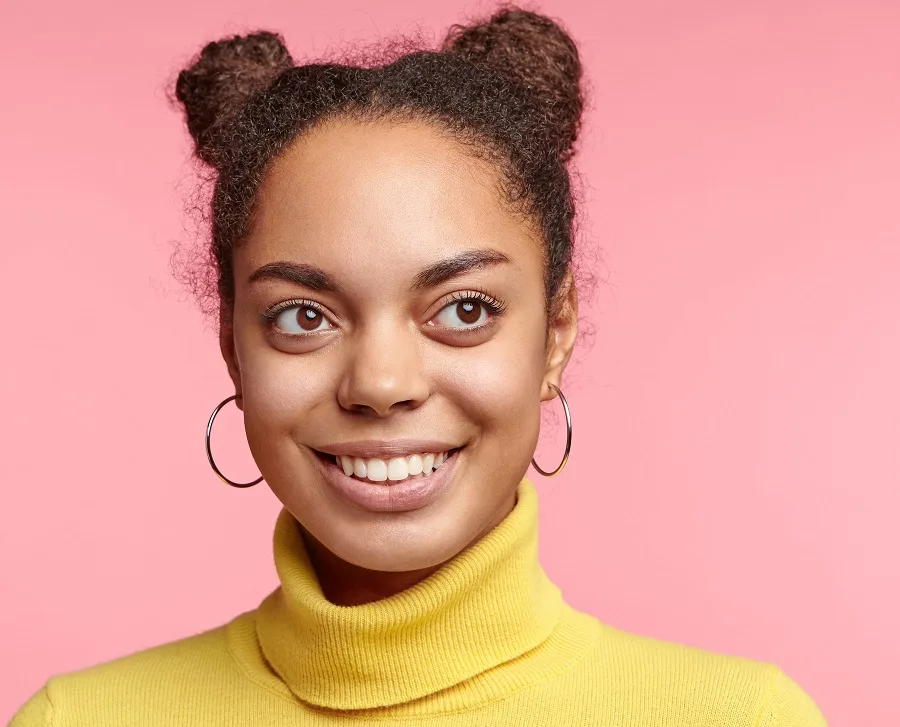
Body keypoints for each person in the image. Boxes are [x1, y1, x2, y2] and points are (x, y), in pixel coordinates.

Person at [10, 6, 827, 726]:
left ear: (557, 331)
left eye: (464, 309)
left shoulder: (742, 718)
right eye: (303, 316)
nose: (381, 383)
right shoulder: (80, 719)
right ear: (232, 342)